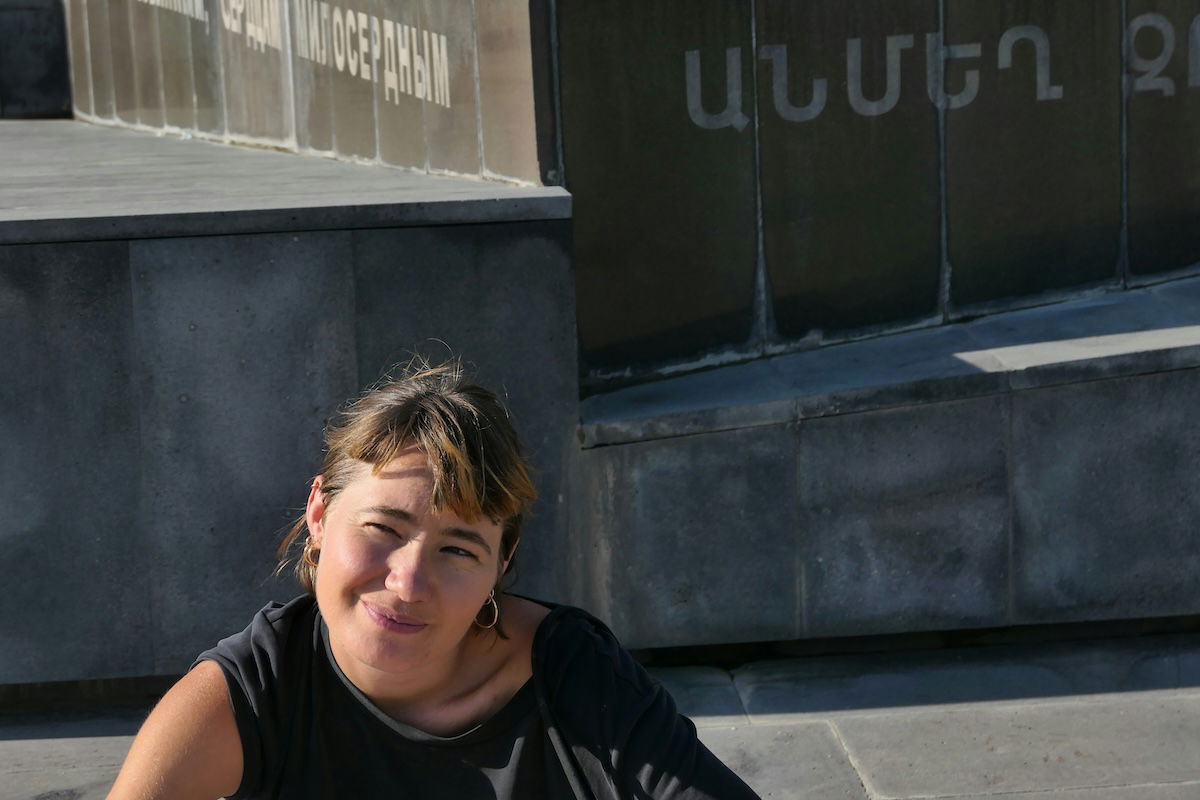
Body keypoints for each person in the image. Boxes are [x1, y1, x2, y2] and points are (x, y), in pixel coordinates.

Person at [106, 360, 761, 800]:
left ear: (503, 566)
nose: (409, 581)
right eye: (383, 530)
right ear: (319, 512)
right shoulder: (251, 691)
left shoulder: (571, 675)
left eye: (458, 550)